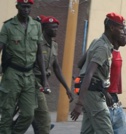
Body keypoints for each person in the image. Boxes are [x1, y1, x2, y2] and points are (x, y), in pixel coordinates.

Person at [70, 12, 126, 134]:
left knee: (87, 131)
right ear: (112, 28)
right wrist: (79, 103)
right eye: (121, 28)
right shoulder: (103, 48)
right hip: (94, 95)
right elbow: (89, 73)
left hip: (90, 93)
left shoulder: (97, 41)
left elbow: (80, 64)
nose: (123, 32)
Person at [0, 0, 48, 134]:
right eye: (23, 7)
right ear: (17, 7)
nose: (26, 10)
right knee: (7, 113)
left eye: (28, 7)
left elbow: (39, 53)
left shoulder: (36, 26)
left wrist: (44, 78)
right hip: (12, 74)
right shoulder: (8, 26)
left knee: (28, 114)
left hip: (29, 76)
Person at [32, 15, 74, 134]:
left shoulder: (54, 45)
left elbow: (56, 67)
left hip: (42, 83)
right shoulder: (37, 42)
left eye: (56, 28)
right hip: (33, 81)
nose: (55, 30)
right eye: (52, 28)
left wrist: (66, 87)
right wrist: (44, 82)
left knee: (31, 114)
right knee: (42, 116)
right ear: (44, 28)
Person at [107, 26, 126, 134]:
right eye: (124, 35)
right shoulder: (107, 52)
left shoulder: (117, 52)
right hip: (106, 98)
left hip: (114, 98)